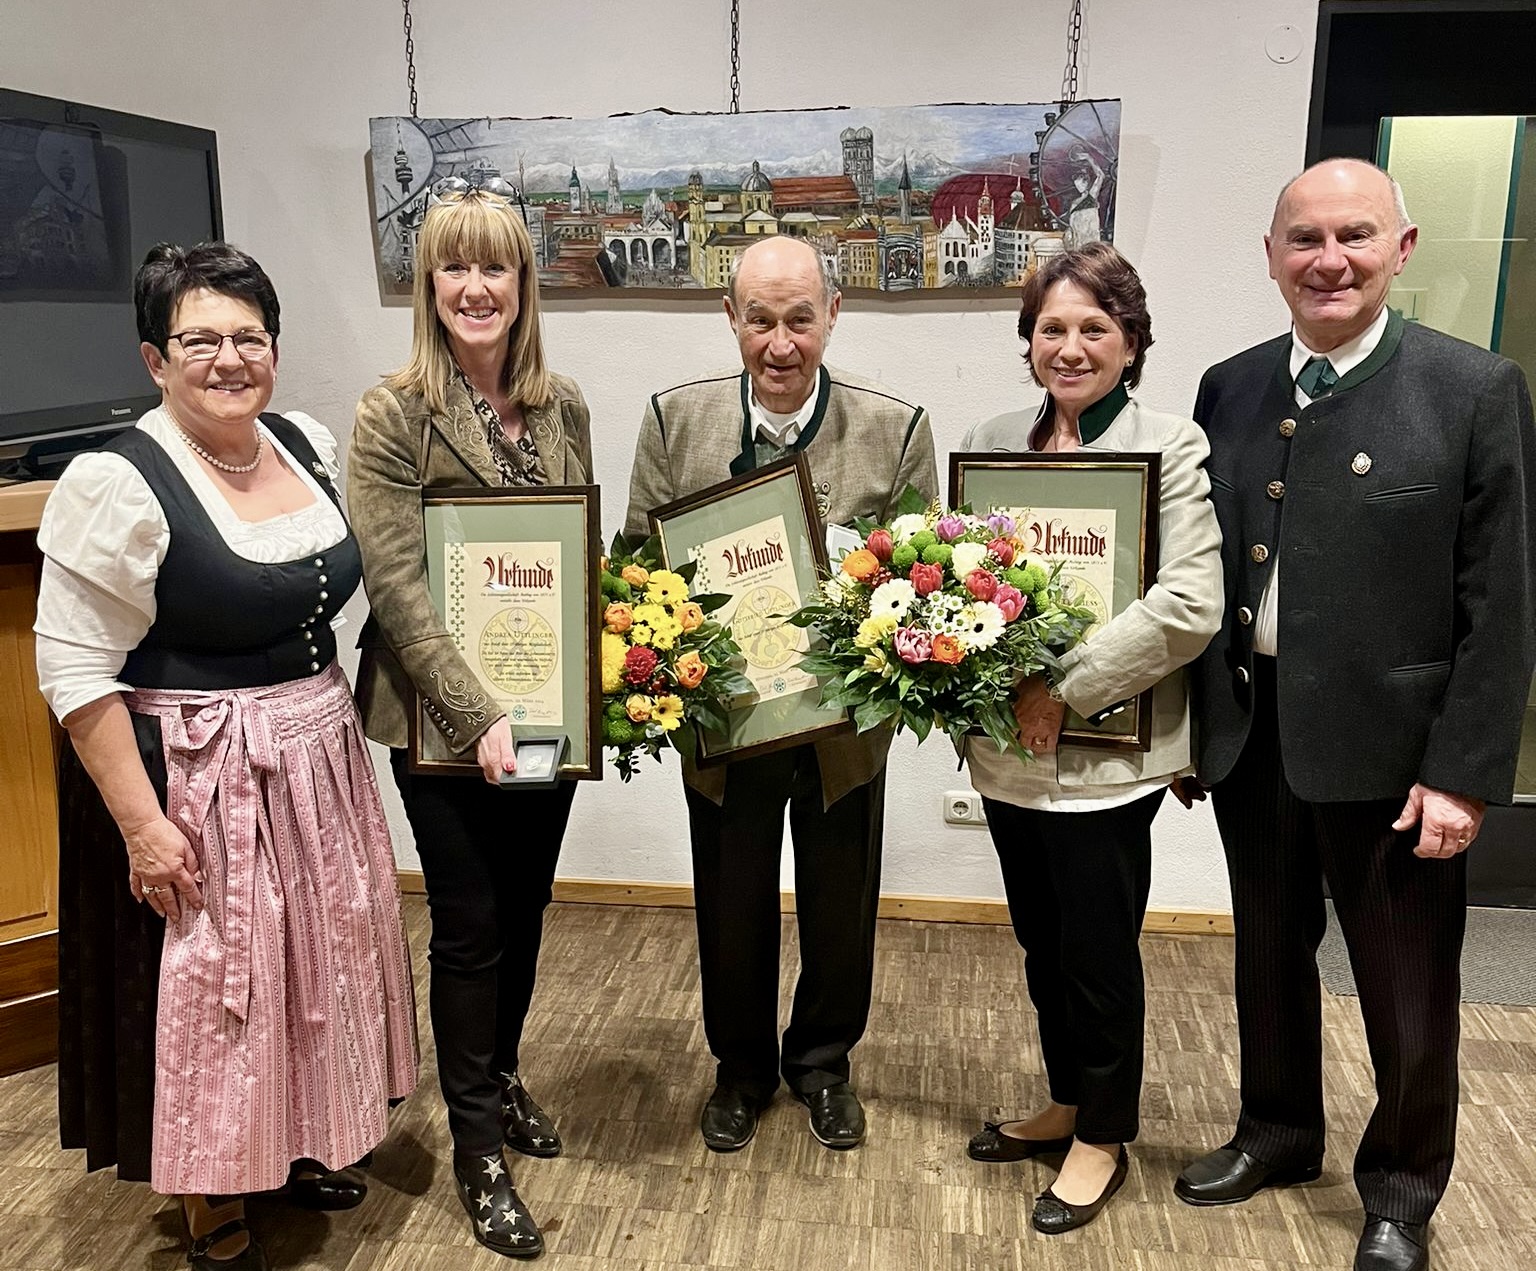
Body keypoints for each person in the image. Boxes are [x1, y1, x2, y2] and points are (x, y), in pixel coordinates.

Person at [1177, 158, 1536, 1271]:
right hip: (1255, 727)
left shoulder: (1473, 388)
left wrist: (1465, 769)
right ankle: (1279, 1130)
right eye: (1305, 239)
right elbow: (1203, 565)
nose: (1328, 259)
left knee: (1407, 980)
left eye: (1355, 237)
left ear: (1402, 248)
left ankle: (1401, 1186)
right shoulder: (1228, 386)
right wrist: (1193, 730)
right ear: (1274, 253)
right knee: (1267, 955)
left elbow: (1503, 598)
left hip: (1397, 752)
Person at [34, 242, 418, 1271]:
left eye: (249, 337)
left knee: (311, 964)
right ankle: (209, 1183)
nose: (229, 358)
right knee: (222, 984)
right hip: (201, 771)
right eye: (200, 339)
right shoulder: (117, 479)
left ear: (275, 351)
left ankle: (290, 1141)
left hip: (314, 755)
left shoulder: (300, 443)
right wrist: (145, 825)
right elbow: (75, 673)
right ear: (156, 359)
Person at [624, 235, 938, 1154]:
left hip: (841, 728)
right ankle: (741, 1069)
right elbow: (640, 568)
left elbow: (921, 584)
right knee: (730, 899)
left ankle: (824, 1062)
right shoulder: (673, 421)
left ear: (832, 315)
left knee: (843, 896)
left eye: (800, 318)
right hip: (724, 721)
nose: (780, 342)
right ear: (731, 318)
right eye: (759, 319)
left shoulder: (897, 427)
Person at [348, 181, 593, 1259]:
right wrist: (480, 709)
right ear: (429, 285)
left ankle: (498, 1075)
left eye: (495, 266)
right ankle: (476, 1148)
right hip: (435, 725)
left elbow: (571, 567)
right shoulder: (391, 410)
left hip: (547, 714)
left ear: (523, 282)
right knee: (471, 923)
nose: (476, 287)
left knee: (530, 907)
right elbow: (397, 587)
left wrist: (607, 684)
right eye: (455, 266)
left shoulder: (562, 404)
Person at [958, 241, 1223, 1233]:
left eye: (1092, 329)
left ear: (1131, 341)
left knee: (1099, 952)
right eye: (1051, 328)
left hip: (1109, 762)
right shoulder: (991, 443)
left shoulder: (1174, 445)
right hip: (1007, 757)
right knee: (1039, 942)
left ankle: (1104, 1134)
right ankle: (1068, 1098)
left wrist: (1066, 691)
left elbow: (1190, 604)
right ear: (1028, 339)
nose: (1069, 348)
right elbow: (956, 581)